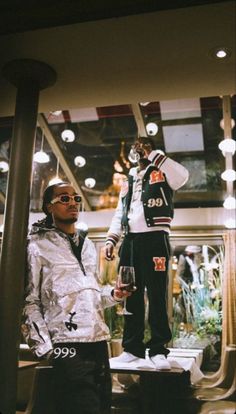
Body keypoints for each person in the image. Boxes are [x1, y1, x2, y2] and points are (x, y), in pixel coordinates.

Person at [22, 182, 129, 414]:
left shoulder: (88, 245)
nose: (72, 202)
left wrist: (114, 294)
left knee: (102, 406)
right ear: (49, 207)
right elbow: (30, 302)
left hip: (99, 342)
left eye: (75, 198)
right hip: (66, 346)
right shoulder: (36, 245)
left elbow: (92, 296)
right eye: (63, 198)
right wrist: (46, 350)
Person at [105, 137, 189, 370]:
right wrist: (111, 239)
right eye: (137, 148)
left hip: (155, 239)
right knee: (130, 293)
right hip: (130, 241)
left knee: (157, 293)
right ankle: (132, 349)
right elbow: (121, 210)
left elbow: (182, 177)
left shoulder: (162, 171)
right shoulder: (129, 177)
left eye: (143, 147)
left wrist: (153, 155)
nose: (138, 150)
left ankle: (159, 349)